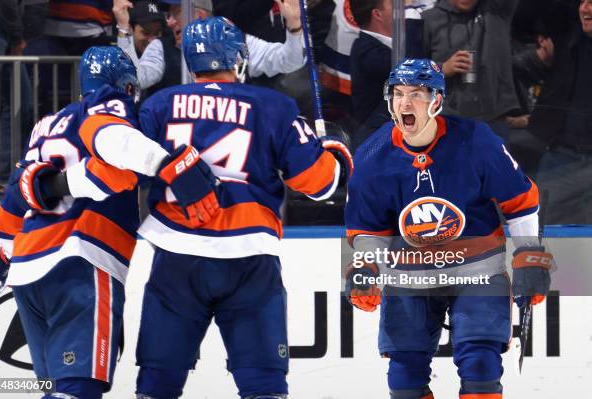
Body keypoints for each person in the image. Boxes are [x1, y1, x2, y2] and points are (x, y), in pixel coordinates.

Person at [130, 16, 352, 399]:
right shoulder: (273, 106)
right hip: (248, 258)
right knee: (262, 383)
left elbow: (126, 170)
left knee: (158, 382)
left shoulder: (159, 105)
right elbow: (321, 186)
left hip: (175, 256)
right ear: (237, 57)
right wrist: (334, 153)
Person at [0, 46, 221, 399]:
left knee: (57, 387)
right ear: (126, 87)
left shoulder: (45, 125)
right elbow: (114, 154)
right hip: (80, 262)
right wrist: (165, 164)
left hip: (27, 270)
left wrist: (7, 254)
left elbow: (4, 219)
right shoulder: (108, 104)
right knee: (78, 388)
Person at [344, 59, 553, 399]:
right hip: (410, 272)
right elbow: (369, 226)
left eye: (416, 94)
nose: (405, 103)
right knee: (404, 376)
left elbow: (521, 200)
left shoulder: (476, 141)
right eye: (397, 94)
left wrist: (529, 253)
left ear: (437, 100)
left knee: (481, 365)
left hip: (477, 267)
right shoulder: (372, 155)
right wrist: (367, 266)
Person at [125, 0, 305, 98]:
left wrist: (295, 26)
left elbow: (289, 60)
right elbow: (134, 81)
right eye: (168, 15)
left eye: (175, 13)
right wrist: (124, 31)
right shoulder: (160, 48)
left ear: (200, 15)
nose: (169, 22)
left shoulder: (237, 43)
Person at [528, 0, 592, 224]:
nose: (585, 9)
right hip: (562, 158)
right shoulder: (567, 33)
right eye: (582, 2)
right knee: (541, 233)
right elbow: (532, 12)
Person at [422, 0, 520, 140]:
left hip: (493, 119)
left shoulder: (496, 10)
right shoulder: (428, 19)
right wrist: (443, 69)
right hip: (448, 120)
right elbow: (411, 72)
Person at [349, 0, 424, 148]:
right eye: (394, 4)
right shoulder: (364, 51)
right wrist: (410, 12)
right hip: (377, 143)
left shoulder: (386, 46)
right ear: (377, 14)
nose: (400, 7)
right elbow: (408, 69)